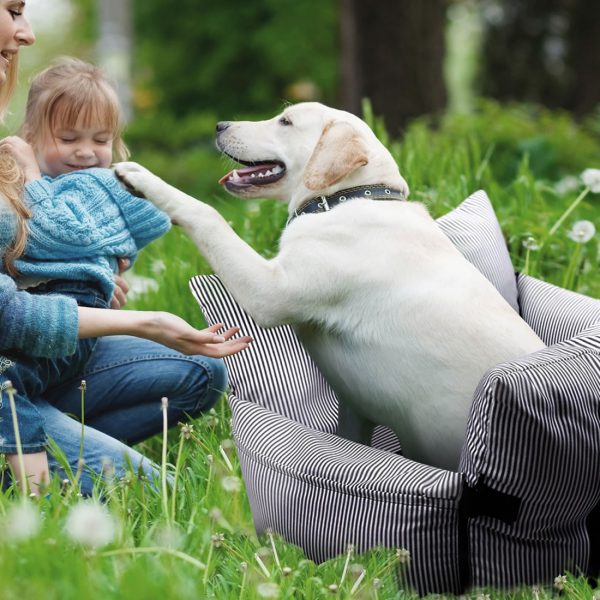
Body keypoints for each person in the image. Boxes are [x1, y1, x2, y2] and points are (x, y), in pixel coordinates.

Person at [0, 5, 250, 495]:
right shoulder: (24, 170)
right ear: (34, 135)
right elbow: (27, 279)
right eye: (12, 10)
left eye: (100, 140)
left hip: (59, 346)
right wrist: (143, 319)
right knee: (154, 490)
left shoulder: (78, 180)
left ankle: (50, 442)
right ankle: (28, 449)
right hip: (16, 359)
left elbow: (120, 227)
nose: (84, 151)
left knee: (201, 371)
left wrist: (97, 267)